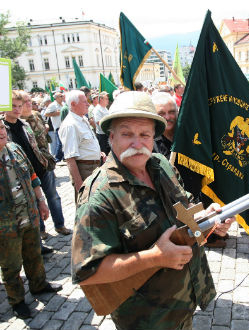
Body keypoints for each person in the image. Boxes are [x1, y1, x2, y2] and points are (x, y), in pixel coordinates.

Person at [71, 91, 235, 330]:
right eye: (127, 134)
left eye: (144, 134)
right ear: (111, 137)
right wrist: (154, 257)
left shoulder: (162, 165)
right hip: (146, 319)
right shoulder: (99, 195)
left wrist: (210, 220)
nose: (137, 143)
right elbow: (88, 273)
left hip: (183, 302)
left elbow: (185, 209)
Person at [0, 117, 62, 319]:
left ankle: (38, 285)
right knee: (11, 264)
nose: (1, 131)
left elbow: (33, 175)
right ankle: (17, 301)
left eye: (1, 127)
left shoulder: (15, 149)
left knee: (34, 253)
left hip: (29, 214)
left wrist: (41, 201)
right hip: (5, 225)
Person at [152, 92, 229, 248]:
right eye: (162, 113)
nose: (168, 117)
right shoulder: (152, 140)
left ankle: (210, 233)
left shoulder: (187, 133)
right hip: (173, 195)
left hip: (196, 185)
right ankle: (201, 239)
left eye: (171, 112)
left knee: (204, 209)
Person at [19, 91, 72, 238]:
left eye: (30, 100)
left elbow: (44, 136)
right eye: (25, 102)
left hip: (44, 163)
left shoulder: (36, 116)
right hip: (29, 167)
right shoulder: (15, 122)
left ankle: (60, 225)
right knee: (35, 199)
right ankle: (41, 230)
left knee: (53, 196)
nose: (30, 104)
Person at [58, 90, 103, 202]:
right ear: (73, 104)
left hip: (93, 167)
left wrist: (98, 154)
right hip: (85, 170)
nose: (88, 104)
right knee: (87, 206)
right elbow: (70, 157)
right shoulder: (70, 125)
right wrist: (79, 184)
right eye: (84, 102)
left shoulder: (82, 119)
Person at [44, 92, 64, 162]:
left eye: (62, 96)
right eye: (60, 96)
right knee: (60, 143)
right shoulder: (53, 105)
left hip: (64, 125)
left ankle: (64, 157)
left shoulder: (63, 104)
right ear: (56, 98)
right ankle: (57, 158)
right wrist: (56, 113)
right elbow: (46, 114)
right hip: (58, 126)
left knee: (64, 142)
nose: (62, 97)